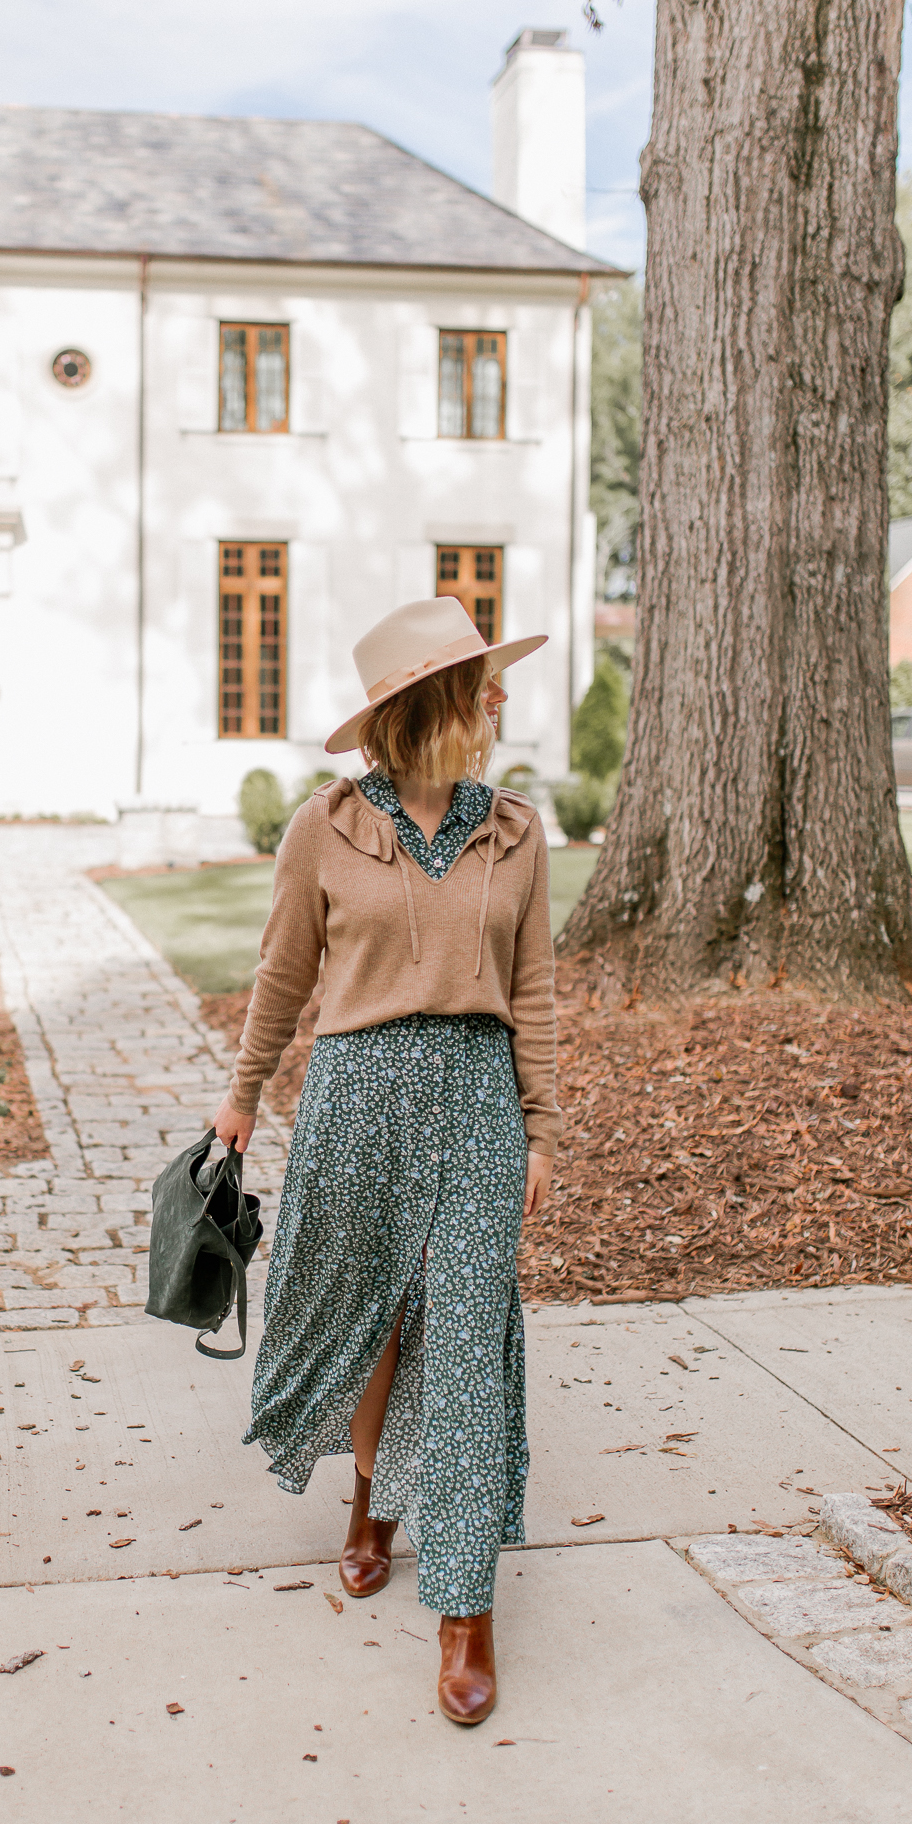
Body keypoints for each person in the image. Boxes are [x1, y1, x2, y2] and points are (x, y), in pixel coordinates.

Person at [212, 595, 560, 1727]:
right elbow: (281, 977)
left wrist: (543, 1130)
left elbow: (537, 994)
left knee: (463, 1342)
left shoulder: (515, 830)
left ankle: (465, 1611)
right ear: (428, 705)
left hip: (473, 1105)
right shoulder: (324, 828)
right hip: (355, 1101)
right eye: (481, 682)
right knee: (367, 1325)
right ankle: (370, 1498)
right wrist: (239, 1102)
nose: (499, 700)